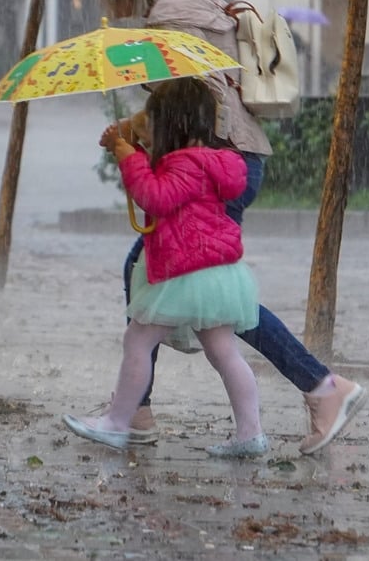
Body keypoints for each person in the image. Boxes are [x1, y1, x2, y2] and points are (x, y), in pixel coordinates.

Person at [89, 0, 367, 455]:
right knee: (195, 288)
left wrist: (136, 137)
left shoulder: (172, 19)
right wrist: (138, 127)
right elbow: (197, 100)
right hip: (233, 160)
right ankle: (138, 410)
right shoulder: (193, 0)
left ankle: (322, 388)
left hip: (219, 167)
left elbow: (196, 107)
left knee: (218, 297)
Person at [63, 78, 267, 458]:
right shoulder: (211, 160)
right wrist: (131, 146)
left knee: (137, 340)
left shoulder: (185, 163)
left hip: (186, 272)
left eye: (152, 123)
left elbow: (156, 197)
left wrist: (127, 155)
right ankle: (250, 432)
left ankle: (118, 422)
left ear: (171, 125)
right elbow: (166, 186)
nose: (148, 130)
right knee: (224, 352)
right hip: (219, 272)